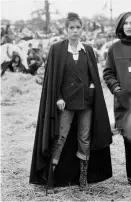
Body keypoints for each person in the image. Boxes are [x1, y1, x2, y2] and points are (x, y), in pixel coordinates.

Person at [29, 13, 112, 191]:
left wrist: (91, 87)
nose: (75, 31)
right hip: (65, 102)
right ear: (66, 30)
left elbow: (93, 75)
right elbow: (53, 78)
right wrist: (58, 97)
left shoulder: (88, 50)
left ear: (82, 29)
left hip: (86, 103)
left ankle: (83, 176)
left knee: (85, 139)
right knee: (60, 137)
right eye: (71, 28)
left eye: (78, 27)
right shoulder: (57, 49)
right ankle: (51, 177)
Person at [103, 12, 131, 185]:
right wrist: (116, 88)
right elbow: (108, 72)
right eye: (126, 23)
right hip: (125, 103)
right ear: (121, 26)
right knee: (130, 140)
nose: (129, 26)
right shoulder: (114, 48)